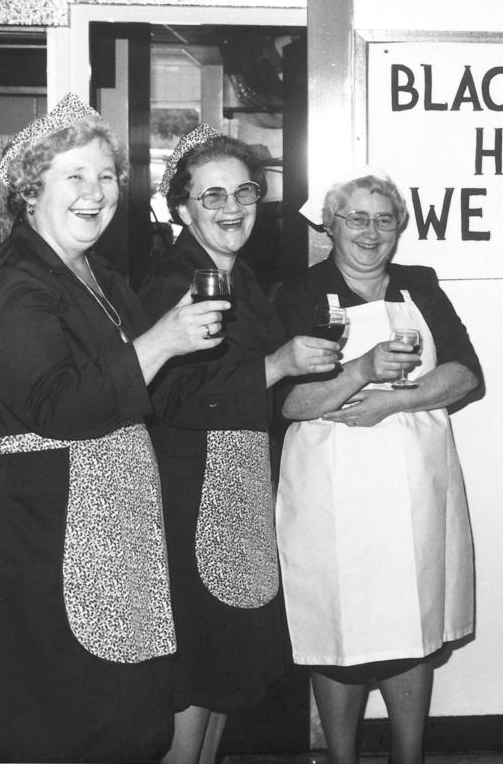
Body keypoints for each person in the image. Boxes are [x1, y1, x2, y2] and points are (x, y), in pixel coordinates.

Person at [0, 94, 227, 762]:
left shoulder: (99, 275)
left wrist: (180, 345)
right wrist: (163, 342)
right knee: (59, 717)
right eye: (75, 177)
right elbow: (58, 407)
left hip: (108, 533)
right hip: (44, 541)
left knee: (119, 716)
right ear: (32, 190)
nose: (95, 193)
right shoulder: (13, 283)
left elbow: (131, 394)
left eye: (107, 177)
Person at [138, 125, 341, 764]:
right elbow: (171, 399)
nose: (233, 208)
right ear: (180, 209)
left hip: (241, 487)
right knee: (199, 669)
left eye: (244, 191)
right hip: (195, 493)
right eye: (212, 196)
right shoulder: (171, 282)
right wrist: (279, 364)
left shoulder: (241, 278)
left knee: (226, 671)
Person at [274, 171, 483, 764]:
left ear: (399, 229)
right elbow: (291, 402)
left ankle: (406, 757)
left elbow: (466, 373)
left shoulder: (420, 285)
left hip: (417, 481)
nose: (371, 232)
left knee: (412, 621)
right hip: (331, 488)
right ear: (331, 225)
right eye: (357, 218)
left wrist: (395, 400)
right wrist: (362, 371)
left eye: (384, 219)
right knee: (338, 628)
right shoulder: (298, 292)